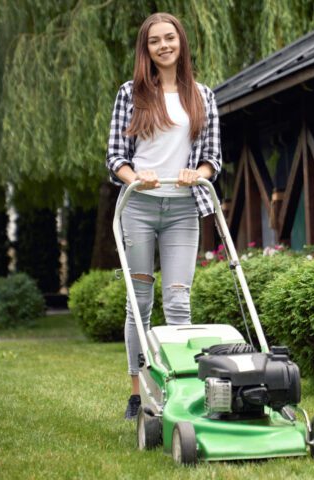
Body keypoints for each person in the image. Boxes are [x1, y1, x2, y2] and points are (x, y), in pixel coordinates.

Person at [105, 12, 221, 420]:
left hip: (183, 209)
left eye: (170, 38)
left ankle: (176, 388)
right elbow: (115, 157)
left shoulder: (202, 95)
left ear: (181, 42)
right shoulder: (130, 93)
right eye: (155, 41)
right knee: (138, 303)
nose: (164, 46)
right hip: (138, 206)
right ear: (146, 49)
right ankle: (138, 394)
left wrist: (197, 174)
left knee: (177, 301)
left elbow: (212, 158)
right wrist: (136, 177)